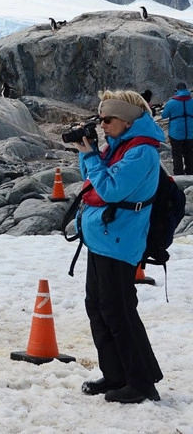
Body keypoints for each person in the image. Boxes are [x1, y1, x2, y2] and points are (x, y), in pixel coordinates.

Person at [71, 89, 164, 404]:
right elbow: (92, 182)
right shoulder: (120, 146)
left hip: (120, 241)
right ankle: (117, 374)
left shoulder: (142, 153)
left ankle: (140, 383)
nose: (102, 125)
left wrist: (92, 159)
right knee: (98, 307)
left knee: (118, 311)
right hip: (103, 239)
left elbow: (110, 190)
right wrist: (89, 154)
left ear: (126, 119)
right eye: (100, 119)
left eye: (107, 119)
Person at [159, 81, 193, 175]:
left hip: (176, 132)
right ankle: (190, 173)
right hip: (190, 133)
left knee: (176, 154)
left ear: (176, 90)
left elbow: (164, 115)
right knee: (189, 153)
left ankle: (179, 173)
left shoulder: (171, 102)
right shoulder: (191, 101)